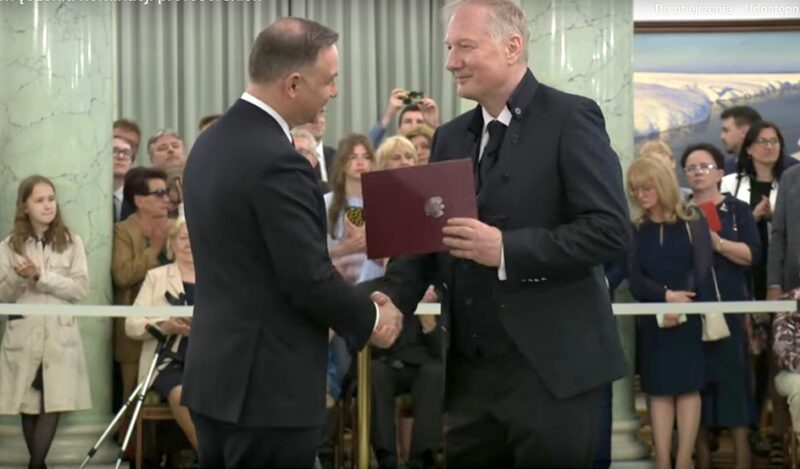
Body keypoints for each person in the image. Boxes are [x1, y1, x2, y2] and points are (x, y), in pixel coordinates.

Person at [361, 1, 630, 466]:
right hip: (470, 383)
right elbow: (426, 239)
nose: (451, 62)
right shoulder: (449, 137)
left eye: (464, 46)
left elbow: (609, 231)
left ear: (512, 47)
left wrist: (505, 249)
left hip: (556, 377)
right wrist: (394, 299)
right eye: (449, 48)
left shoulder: (571, 118)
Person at [181, 17, 402, 468]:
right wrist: (374, 318)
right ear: (294, 83)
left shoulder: (209, 144)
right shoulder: (278, 161)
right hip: (268, 388)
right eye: (330, 80)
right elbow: (307, 278)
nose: (334, 91)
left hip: (214, 377)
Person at [627, 156, 715, 469]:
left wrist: (681, 301)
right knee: (659, 389)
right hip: (653, 320)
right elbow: (635, 279)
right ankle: (663, 459)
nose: (639, 195)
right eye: (634, 189)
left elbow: (701, 268)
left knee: (689, 388)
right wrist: (665, 298)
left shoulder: (693, 220)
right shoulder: (636, 229)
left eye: (645, 187)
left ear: (662, 184)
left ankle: (683, 459)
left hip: (690, 316)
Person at [0, 175, 91, 469]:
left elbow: (80, 288)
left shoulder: (72, 242)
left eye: (51, 199)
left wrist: (41, 276)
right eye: (39, 200)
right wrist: (19, 277)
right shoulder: (9, 245)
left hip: (59, 333)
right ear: (25, 206)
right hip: (24, 332)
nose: (48, 205)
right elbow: (3, 295)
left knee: (55, 401)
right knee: (28, 403)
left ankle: (35, 465)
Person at [682, 143, 759, 469]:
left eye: (705, 166)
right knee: (693, 386)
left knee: (734, 386)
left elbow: (752, 255)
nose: (698, 172)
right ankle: (701, 459)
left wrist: (718, 243)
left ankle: (742, 460)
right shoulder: (680, 211)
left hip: (729, 305)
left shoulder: (737, 210)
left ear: (719, 173)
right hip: (690, 306)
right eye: (691, 168)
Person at [126, 218, 198, 451]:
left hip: (209, 358)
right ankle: (207, 455)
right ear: (172, 243)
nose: (188, 244)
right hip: (168, 359)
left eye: (194, 238)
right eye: (183, 238)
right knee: (181, 394)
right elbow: (132, 325)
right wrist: (165, 326)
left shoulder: (216, 277)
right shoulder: (156, 277)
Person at [112, 167, 171, 407]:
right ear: (139, 200)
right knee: (132, 399)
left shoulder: (176, 228)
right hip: (135, 332)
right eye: (159, 193)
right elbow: (122, 276)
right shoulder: (123, 231)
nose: (167, 198)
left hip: (173, 326)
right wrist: (154, 249)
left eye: (167, 192)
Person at [325, 134, 375, 284]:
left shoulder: (383, 203)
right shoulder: (325, 203)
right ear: (341, 163)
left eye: (366, 157)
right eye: (353, 157)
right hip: (336, 282)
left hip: (375, 282)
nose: (360, 162)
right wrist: (345, 249)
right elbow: (313, 253)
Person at [719, 106, 761, 174]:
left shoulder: (776, 166)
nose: (722, 137)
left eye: (726, 130)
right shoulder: (725, 171)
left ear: (744, 131)